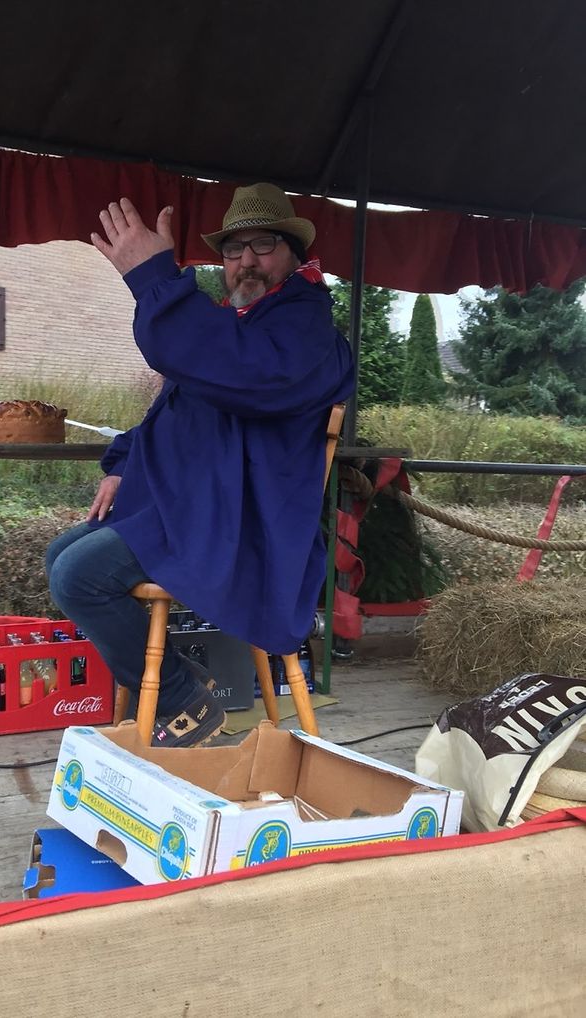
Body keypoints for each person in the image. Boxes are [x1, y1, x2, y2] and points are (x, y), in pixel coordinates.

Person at [47, 182, 354, 747]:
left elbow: (246, 373)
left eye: (263, 246)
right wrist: (123, 464)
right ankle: (177, 681)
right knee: (61, 555)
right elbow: (172, 412)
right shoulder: (235, 327)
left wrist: (155, 279)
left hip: (242, 520)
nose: (246, 262)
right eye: (233, 250)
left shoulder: (304, 328)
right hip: (195, 504)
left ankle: (180, 700)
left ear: (294, 255)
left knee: (79, 576)